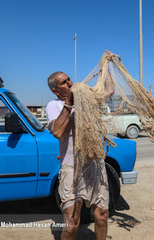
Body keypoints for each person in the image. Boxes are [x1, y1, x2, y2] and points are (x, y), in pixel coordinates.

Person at [46, 71, 109, 240]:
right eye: (64, 83)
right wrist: (69, 102)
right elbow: (58, 132)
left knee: (102, 215)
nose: (70, 83)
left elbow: (108, 91)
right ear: (55, 90)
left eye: (69, 80)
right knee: (72, 223)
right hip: (71, 168)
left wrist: (106, 67)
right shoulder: (54, 105)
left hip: (95, 165)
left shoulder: (86, 100)